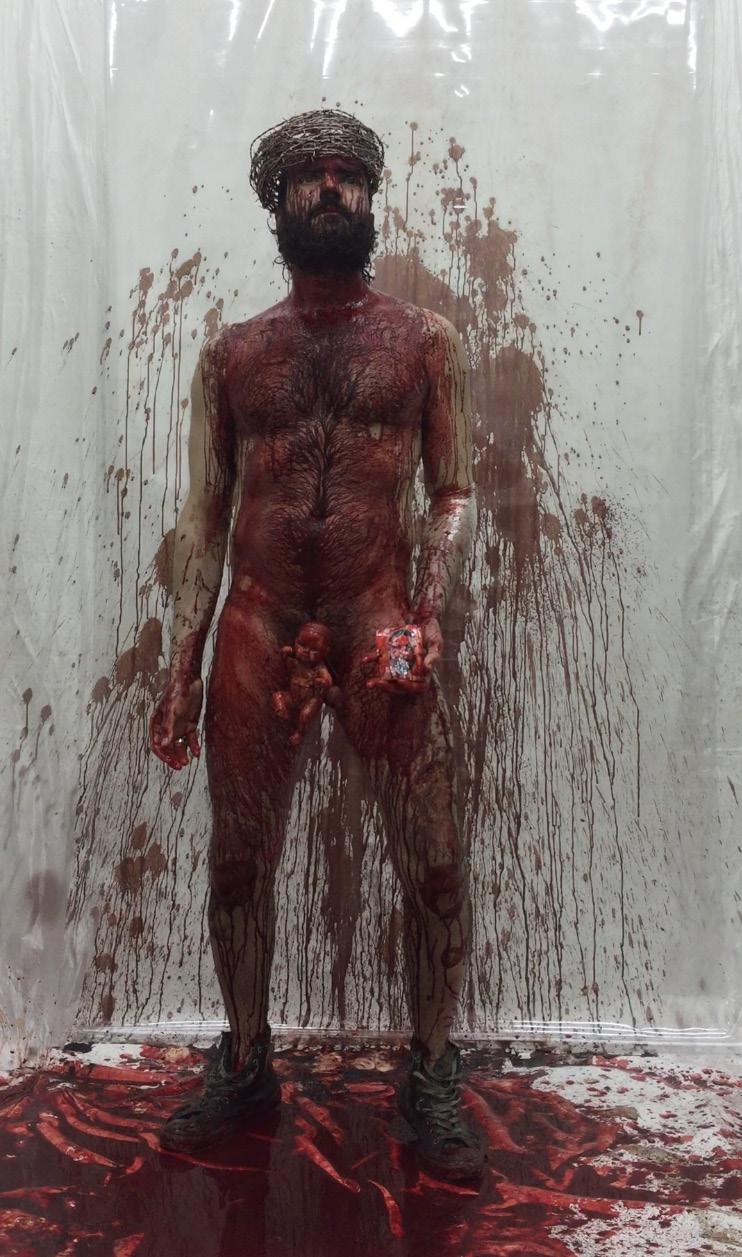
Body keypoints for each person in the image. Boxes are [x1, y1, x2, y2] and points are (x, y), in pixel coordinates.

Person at [149, 109, 483, 1181]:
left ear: (372, 200)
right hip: (258, 621)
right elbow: (204, 514)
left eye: (348, 175)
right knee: (236, 863)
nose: (330, 189)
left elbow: (453, 490)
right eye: (309, 176)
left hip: (378, 616)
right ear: (278, 202)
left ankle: (431, 1070)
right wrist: (180, 665)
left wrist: (426, 611)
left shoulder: (426, 341)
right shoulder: (233, 354)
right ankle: (247, 1060)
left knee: (433, 864)